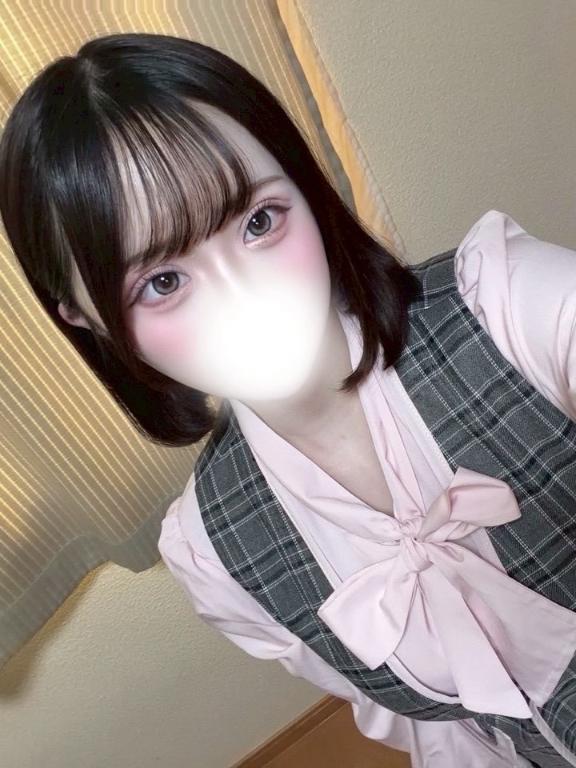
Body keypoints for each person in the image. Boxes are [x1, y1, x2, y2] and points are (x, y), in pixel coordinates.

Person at [1, 32, 575, 768]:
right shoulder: (215, 556)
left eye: (259, 221)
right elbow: (432, 729)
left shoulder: (511, 306)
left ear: (304, 184)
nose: (245, 297)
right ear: (84, 317)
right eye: (163, 282)